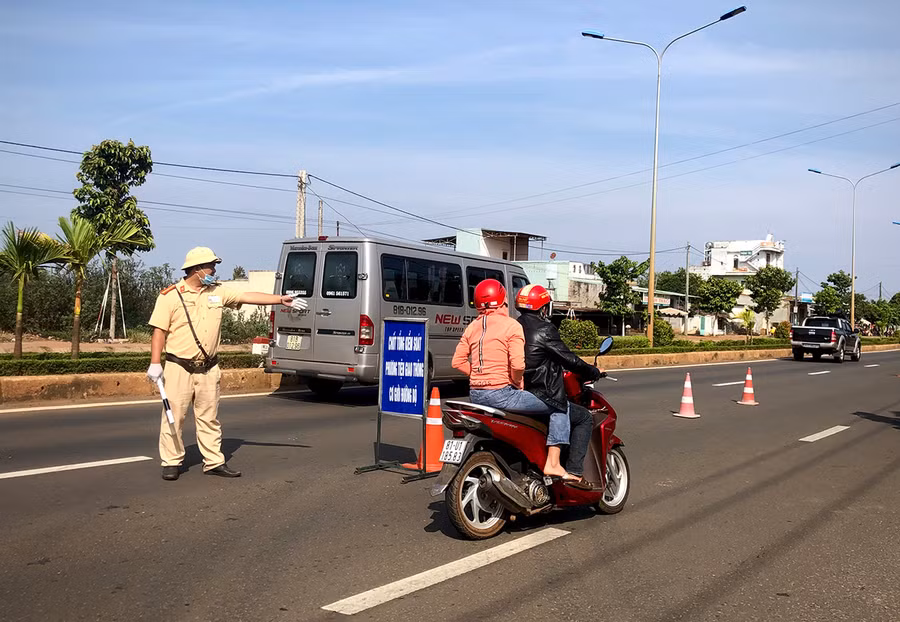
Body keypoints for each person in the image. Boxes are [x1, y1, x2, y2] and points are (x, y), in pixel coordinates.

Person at [146, 247, 307, 481]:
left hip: (208, 367)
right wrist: (155, 363)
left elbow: (248, 296)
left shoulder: (218, 292)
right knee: (174, 416)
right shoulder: (170, 296)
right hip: (178, 366)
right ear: (197, 269)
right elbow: (159, 331)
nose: (214, 270)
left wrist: (280, 300)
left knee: (209, 417)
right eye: (210, 266)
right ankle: (171, 461)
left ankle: (213, 461)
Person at [451, 279, 574, 480]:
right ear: (502, 300)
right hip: (502, 395)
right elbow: (518, 365)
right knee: (559, 406)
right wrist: (516, 382)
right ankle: (553, 463)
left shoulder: (472, 327)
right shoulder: (512, 326)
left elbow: (457, 361)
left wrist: (478, 375)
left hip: (476, 395)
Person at [516, 284, 602, 485]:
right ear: (544, 307)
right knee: (582, 418)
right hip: (541, 392)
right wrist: (593, 371)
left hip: (516, 391)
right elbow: (569, 359)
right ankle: (573, 473)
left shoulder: (514, 326)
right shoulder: (545, 329)